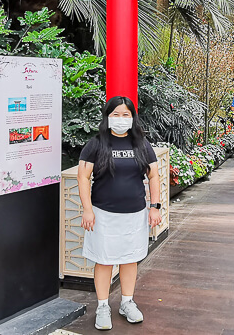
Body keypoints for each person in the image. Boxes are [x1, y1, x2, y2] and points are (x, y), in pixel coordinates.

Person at [78, 96, 163, 331]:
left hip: (134, 214)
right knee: (104, 261)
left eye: (126, 115)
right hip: (102, 214)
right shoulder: (96, 144)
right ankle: (103, 306)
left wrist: (155, 207)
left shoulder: (142, 144)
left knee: (129, 258)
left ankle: (127, 302)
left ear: (133, 118)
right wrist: (87, 210)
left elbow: (153, 176)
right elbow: (83, 177)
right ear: (107, 117)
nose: (121, 119)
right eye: (116, 114)